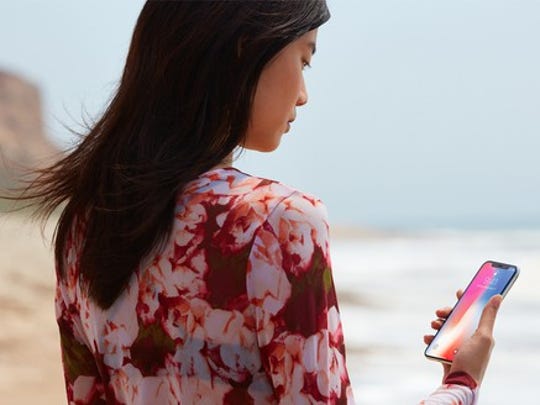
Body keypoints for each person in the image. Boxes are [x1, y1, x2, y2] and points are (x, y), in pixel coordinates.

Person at [14, 1, 503, 403]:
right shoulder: (279, 220)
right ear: (245, 52)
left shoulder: (84, 225)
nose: (305, 94)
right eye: (305, 59)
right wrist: (462, 383)